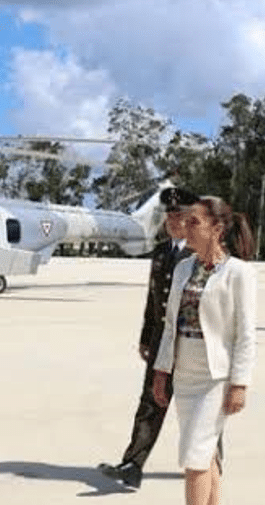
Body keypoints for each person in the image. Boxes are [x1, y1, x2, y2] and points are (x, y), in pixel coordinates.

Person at [150, 194, 257, 505]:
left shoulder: (239, 273)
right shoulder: (182, 269)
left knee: (194, 455)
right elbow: (169, 325)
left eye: (194, 222)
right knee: (205, 451)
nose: (185, 227)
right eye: (185, 221)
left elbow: (245, 335)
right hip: (185, 372)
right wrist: (161, 372)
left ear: (217, 228)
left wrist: (240, 383)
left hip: (217, 376)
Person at [98, 187, 192, 489]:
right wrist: (145, 337)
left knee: (195, 408)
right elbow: (153, 299)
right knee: (150, 402)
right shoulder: (163, 250)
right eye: (169, 215)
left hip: (191, 346)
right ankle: (133, 464)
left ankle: (208, 464)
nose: (173, 220)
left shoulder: (202, 253)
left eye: (179, 215)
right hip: (160, 343)